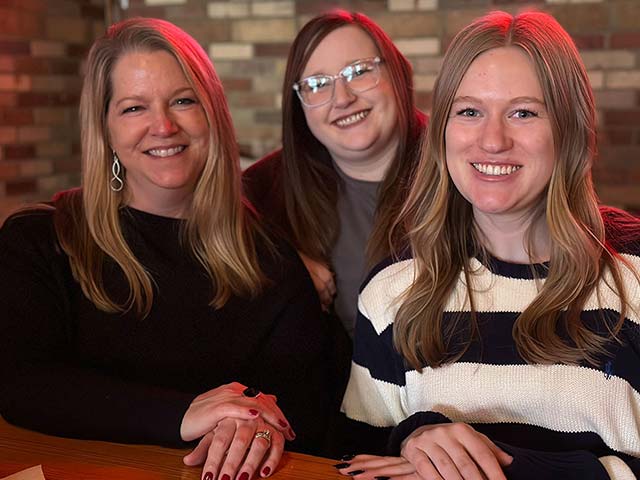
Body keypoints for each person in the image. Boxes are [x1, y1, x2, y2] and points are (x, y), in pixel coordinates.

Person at [0, 18, 340, 480]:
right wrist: (183, 414)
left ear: (212, 115)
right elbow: (23, 385)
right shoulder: (38, 240)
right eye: (133, 108)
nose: (162, 125)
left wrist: (260, 430)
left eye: (183, 101)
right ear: (105, 130)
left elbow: (300, 412)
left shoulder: (272, 261)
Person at [337, 10, 640, 480]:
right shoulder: (394, 288)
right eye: (469, 111)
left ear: (570, 129)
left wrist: (512, 469)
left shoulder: (635, 273)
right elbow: (351, 463)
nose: (492, 140)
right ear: (443, 132)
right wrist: (415, 436)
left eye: (523, 112)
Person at [243, 10, 427, 339]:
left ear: (396, 72)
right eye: (317, 85)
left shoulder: (460, 168)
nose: (342, 98)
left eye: (358, 72)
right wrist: (285, 267)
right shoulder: (265, 190)